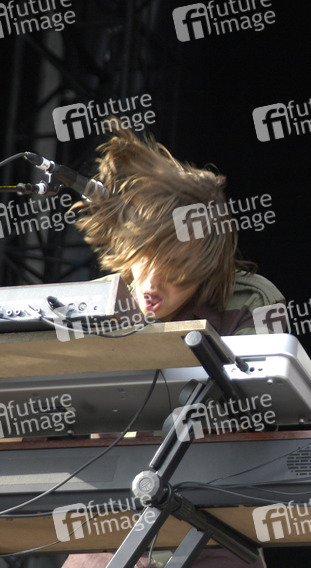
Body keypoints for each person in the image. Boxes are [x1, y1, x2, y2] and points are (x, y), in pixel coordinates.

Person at [64, 125, 282, 567]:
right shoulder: (100, 304)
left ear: (204, 272)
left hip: (212, 523)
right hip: (109, 521)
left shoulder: (249, 303)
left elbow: (263, 416)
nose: (152, 283)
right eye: (147, 259)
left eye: (177, 270)